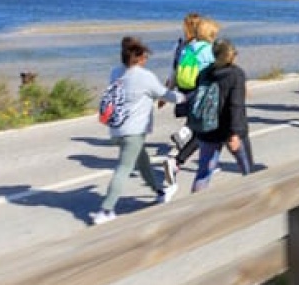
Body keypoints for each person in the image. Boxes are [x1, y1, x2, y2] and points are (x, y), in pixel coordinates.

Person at [91, 37, 181, 225]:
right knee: (124, 168)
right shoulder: (145, 76)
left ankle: (159, 192)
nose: (146, 59)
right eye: (145, 56)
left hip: (116, 129)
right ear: (138, 58)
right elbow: (165, 94)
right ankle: (106, 210)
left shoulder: (116, 72)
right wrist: (186, 97)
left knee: (143, 162)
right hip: (134, 132)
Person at [164, 17, 219, 190]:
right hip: (202, 95)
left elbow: (175, 71)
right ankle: (177, 160)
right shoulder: (208, 50)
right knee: (204, 133)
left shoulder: (186, 48)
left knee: (200, 130)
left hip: (185, 92)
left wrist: (167, 93)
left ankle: (186, 148)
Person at [190, 39, 252, 191]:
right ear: (232, 55)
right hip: (229, 129)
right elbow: (235, 105)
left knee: (204, 172)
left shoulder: (204, 73)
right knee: (248, 170)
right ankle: (255, 199)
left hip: (207, 129)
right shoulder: (236, 74)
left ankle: (196, 203)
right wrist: (234, 133)